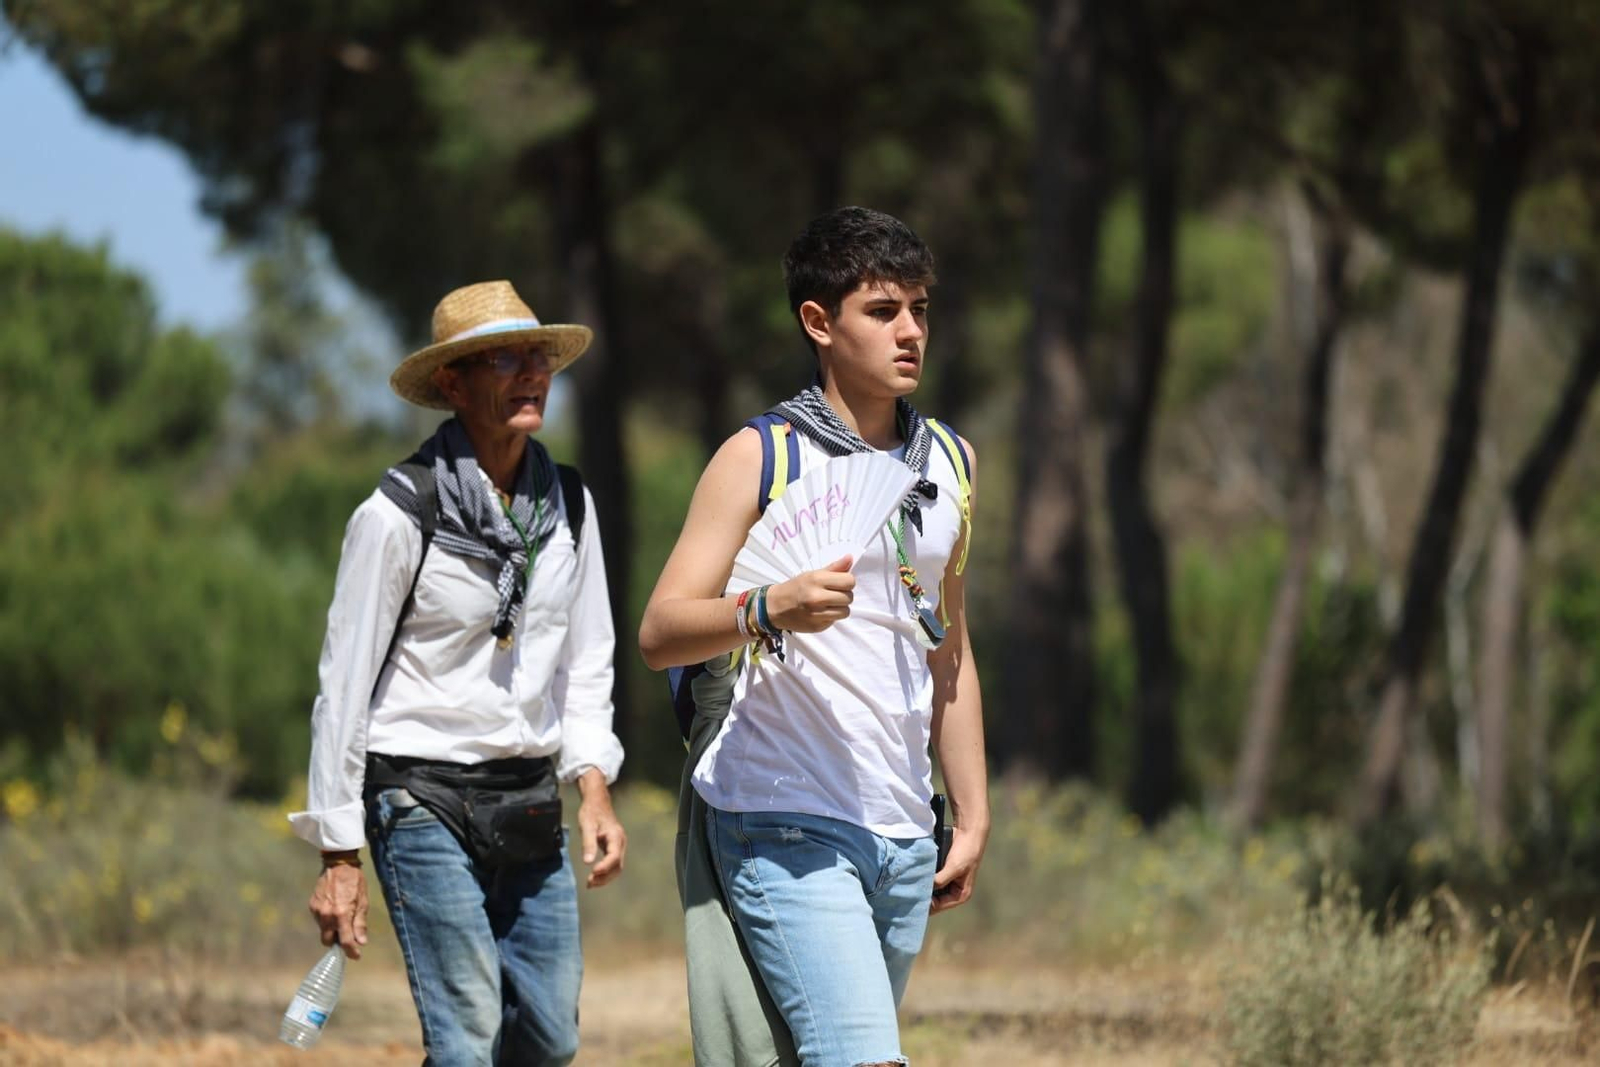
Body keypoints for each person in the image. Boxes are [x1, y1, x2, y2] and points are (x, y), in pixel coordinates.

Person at [640, 207, 989, 1066]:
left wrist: (972, 812)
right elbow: (659, 630)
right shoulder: (763, 456)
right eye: (883, 310)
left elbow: (949, 648)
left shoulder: (952, 460)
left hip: (905, 830)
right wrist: (769, 606)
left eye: (920, 308)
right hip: (783, 811)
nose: (911, 332)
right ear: (819, 323)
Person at [287, 280, 627, 1066]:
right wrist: (339, 854)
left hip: (528, 794)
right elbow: (342, 689)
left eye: (537, 357)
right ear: (453, 384)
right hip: (420, 795)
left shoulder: (569, 506)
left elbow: (589, 657)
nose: (529, 374)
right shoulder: (398, 513)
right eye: (504, 358)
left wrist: (594, 786)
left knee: (549, 1035)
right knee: (468, 1031)